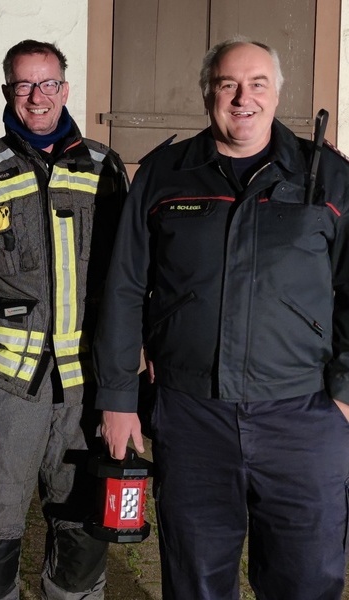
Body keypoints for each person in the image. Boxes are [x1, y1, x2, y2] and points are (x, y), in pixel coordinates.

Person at [93, 36, 349, 600]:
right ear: (208, 91)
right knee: (195, 582)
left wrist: (344, 394)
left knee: (307, 581)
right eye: (228, 83)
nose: (243, 97)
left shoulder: (326, 177)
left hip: (302, 419)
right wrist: (117, 399)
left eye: (257, 83)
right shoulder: (165, 174)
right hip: (191, 417)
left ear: (278, 92)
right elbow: (124, 288)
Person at [0, 39, 128, 600]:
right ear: (7, 91)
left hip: (84, 388)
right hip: (4, 388)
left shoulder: (105, 167)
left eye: (48, 84)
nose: (37, 96)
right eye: (24, 84)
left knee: (84, 526)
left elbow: (127, 276)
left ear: (65, 89)